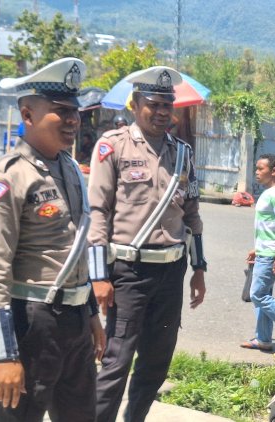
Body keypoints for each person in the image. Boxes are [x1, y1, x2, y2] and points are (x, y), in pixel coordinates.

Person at [0, 57, 104, 421]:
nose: (73, 121)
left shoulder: (71, 169)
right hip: (32, 322)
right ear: (28, 115)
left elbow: (76, 248)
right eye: (61, 111)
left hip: (75, 320)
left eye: (75, 112)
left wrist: (91, 314)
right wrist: (4, 355)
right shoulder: (7, 178)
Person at [87, 65, 207, 422]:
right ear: (136, 103)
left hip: (171, 272)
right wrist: (98, 277)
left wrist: (199, 270)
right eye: (153, 104)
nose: (161, 112)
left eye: (166, 105)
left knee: (157, 362)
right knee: (116, 362)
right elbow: (97, 213)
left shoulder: (183, 154)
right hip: (128, 272)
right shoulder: (113, 147)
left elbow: (192, 217)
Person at [240, 154, 275, 351]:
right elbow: (269, 227)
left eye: (261, 169)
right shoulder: (268, 192)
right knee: (264, 295)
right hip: (265, 252)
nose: (256, 172)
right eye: (256, 168)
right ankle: (263, 339)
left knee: (258, 294)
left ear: (273, 171)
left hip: (272, 255)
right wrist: (257, 249)